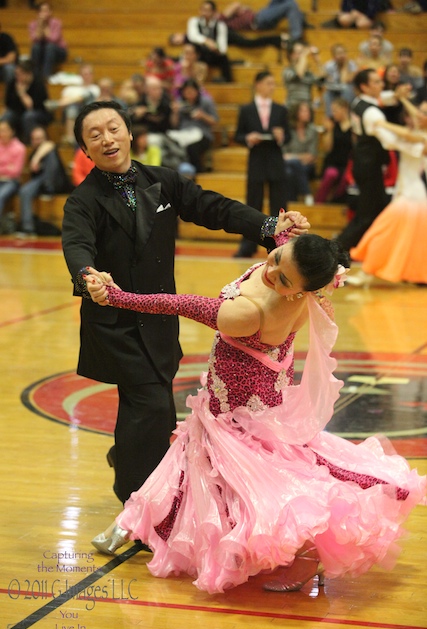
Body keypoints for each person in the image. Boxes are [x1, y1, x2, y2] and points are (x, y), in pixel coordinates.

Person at [87, 214, 426, 596]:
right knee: (193, 460)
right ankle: (132, 522)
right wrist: (281, 230)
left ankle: (305, 554)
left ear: (300, 292)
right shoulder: (305, 275)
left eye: (284, 279)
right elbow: (287, 255)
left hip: (242, 411)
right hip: (250, 398)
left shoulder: (247, 313)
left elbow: (177, 303)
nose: (271, 270)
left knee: (261, 485)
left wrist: (117, 297)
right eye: (277, 257)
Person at [61, 100, 298, 505]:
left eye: (113, 128)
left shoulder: (164, 181)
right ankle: (137, 504)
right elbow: (76, 244)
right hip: (117, 323)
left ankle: (129, 459)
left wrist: (267, 225)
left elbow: (214, 208)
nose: (107, 139)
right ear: (85, 149)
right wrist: (88, 277)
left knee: (154, 409)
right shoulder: (82, 201)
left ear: (131, 132)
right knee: (150, 404)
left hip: (159, 319)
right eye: (94, 135)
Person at [335, 68, 418, 251]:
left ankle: (375, 250)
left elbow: (384, 97)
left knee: (380, 209)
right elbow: (389, 142)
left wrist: (397, 95)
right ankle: (336, 247)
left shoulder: (359, 102)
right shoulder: (374, 114)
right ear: (364, 86)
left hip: (363, 162)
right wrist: (416, 143)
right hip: (369, 165)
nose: (381, 84)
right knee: (366, 215)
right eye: (376, 82)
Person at [349, 99, 427, 285]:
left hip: (412, 197)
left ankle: (367, 272)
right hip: (408, 194)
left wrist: (383, 124)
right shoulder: (417, 133)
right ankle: (413, 274)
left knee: (381, 232)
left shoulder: (421, 139)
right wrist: (403, 99)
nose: (417, 115)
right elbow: (411, 127)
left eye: (423, 113)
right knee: (410, 239)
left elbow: (407, 137)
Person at [234, 70, 291, 257]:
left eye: (273, 83)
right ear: (257, 84)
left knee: (279, 205)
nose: (272, 87)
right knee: (253, 204)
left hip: (275, 159)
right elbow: (238, 135)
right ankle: (248, 245)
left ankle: (280, 245)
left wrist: (281, 137)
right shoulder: (246, 109)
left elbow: (288, 136)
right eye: (268, 83)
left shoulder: (281, 109)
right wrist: (249, 138)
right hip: (257, 159)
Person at [15, 125, 72, 236]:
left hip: (57, 183)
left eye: (40, 138)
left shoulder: (51, 149)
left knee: (51, 156)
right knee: (24, 191)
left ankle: (49, 187)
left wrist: (37, 158)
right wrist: (35, 158)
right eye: (35, 139)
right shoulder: (32, 154)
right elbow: (33, 172)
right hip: (40, 182)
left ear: (45, 138)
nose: (38, 141)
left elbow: (49, 145)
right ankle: (28, 228)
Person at [169, 78, 218, 173]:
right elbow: (174, 124)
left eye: (191, 91)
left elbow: (215, 121)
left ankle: (197, 172)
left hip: (202, 134)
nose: (189, 94)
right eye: (186, 92)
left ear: (197, 91)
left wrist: (202, 115)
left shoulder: (206, 102)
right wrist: (174, 112)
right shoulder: (180, 103)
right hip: (184, 134)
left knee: (192, 148)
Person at [44, 63, 100, 145]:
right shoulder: (70, 89)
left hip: (88, 112)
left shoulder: (95, 88)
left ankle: (56, 105)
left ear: (92, 75)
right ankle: (70, 139)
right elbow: (65, 100)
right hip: (70, 113)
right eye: (84, 74)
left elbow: (82, 98)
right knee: (71, 108)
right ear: (80, 75)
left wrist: (58, 104)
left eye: (89, 74)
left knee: (83, 99)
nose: (87, 76)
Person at [3, 59, 52, 143]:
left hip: (39, 112)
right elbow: (8, 103)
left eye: (20, 74)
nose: (17, 77)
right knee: (6, 116)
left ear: (28, 74)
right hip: (18, 111)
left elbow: (31, 106)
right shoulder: (13, 82)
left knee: (28, 116)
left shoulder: (38, 84)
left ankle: (28, 143)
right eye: (16, 74)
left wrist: (22, 94)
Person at [315, 97, 352, 203]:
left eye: (335, 110)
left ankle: (335, 201)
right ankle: (318, 202)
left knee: (347, 177)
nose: (333, 113)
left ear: (344, 109)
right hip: (333, 162)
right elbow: (327, 148)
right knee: (331, 174)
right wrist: (329, 131)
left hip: (348, 163)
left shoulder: (354, 126)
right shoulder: (332, 125)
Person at [186, 0, 233, 83]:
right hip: (199, 54)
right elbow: (192, 36)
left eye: (207, 10)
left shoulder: (220, 25)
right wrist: (206, 41)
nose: (204, 13)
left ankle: (226, 80)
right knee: (191, 52)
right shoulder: (194, 21)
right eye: (203, 9)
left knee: (224, 58)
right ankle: (190, 80)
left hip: (213, 54)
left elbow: (222, 46)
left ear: (214, 12)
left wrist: (216, 47)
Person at [283, 101, 318, 205]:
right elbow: (284, 154)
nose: (307, 113)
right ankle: (306, 194)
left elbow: (311, 155)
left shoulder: (312, 130)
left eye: (308, 111)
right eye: (303, 110)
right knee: (289, 172)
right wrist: (300, 157)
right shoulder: (288, 130)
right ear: (296, 113)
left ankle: (291, 203)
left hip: (307, 166)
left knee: (291, 168)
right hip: (289, 165)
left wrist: (293, 157)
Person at [217, 0, 305, 42]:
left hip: (259, 15)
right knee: (290, 5)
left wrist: (242, 10)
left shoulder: (229, 18)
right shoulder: (220, 20)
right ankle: (296, 37)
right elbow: (236, 4)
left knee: (286, 1)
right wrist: (239, 9)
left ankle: (301, 21)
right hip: (258, 21)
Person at [28, 1, 67, 79]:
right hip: (42, 51)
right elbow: (34, 39)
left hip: (58, 51)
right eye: (41, 11)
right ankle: (35, 76)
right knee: (35, 47)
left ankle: (46, 76)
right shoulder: (33, 24)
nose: (44, 13)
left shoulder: (56, 23)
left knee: (50, 46)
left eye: (46, 11)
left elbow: (53, 39)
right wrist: (39, 25)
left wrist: (45, 27)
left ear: (50, 12)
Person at [282, 41, 325, 109]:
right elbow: (299, 75)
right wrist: (304, 56)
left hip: (307, 108)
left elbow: (322, 82)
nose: (302, 55)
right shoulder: (287, 71)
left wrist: (318, 62)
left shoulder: (308, 73)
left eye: (302, 52)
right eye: (299, 52)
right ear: (291, 55)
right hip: (292, 108)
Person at [0, 119, 26, 229]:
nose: (2, 133)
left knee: (0, 196)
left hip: (11, 181)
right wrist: (8, 167)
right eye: (0, 130)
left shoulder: (19, 147)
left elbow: (16, 171)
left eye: (5, 130)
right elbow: (10, 168)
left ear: (12, 131)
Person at [322, 43, 358, 117]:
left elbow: (344, 81)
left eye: (343, 53)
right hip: (333, 90)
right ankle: (331, 116)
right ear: (334, 56)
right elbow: (328, 81)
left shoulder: (352, 65)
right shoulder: (329, 65)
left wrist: (345, 65)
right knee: (327, 95)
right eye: (339, 53)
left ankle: (345, 114)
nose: (342, 55)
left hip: (346, 91)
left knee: (347, 89)